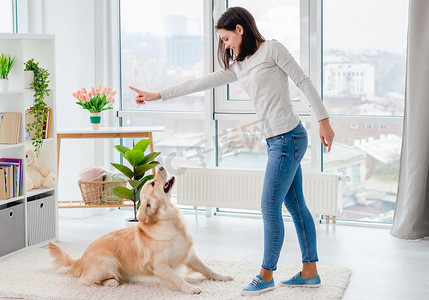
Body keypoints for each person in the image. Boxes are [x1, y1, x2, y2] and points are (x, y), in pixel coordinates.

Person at [129, 6, 334, 295]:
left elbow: (303, 82)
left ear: (240, 29)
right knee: (296, 205)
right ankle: (310, 271)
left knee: (269, 206)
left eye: (226, 38)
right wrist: (157, 95)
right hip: (277, 140)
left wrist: (323, 120)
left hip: (289, 137)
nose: (225, 45)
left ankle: (266, 274)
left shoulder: (272, 49)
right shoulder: (240, 65)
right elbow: (198, 83)